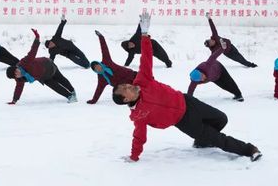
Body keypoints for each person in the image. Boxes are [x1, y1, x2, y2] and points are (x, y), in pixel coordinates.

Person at [112, 12, 261, 162]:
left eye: (126, 84)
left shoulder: (142, 81)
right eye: (126, 89)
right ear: (125, 99)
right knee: (218, 138)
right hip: (184, 121)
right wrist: (134, 156)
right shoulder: (139, 115)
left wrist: (144, 35)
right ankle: (250, 150)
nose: (130, 86)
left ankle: (201, 141)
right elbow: (139, 137)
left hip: (187, 101)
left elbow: (146, 58)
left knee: (221, 119)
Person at [6, 28, 77, 104]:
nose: (18, 74)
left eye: (16, 71)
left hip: (48, 65)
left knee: (60, 79)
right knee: (55, 86)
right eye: (16, 75)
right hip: (42, 76)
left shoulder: (25, 62)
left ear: (17, 68)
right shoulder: (19, 79)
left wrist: (37, 38)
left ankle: (72, 91)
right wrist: (14, 100)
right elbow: (19, 88)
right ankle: (70, 96)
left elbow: (33, 51)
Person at [87, 30, 138, 104]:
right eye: (96, 69)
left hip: (132, 75)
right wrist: (94, 100)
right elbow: (99, 89)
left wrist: (101, 37)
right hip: (127, 88)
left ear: (100, 64)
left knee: (147, 82)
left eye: (97, 66)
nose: (98, 68)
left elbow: (104, 49)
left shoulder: (107, 61)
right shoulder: (101, 78)